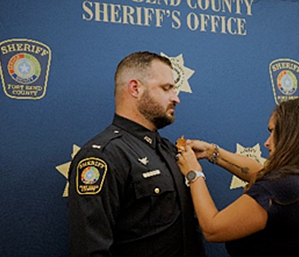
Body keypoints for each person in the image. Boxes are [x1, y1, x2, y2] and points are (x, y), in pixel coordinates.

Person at [68, 51, 205, 257]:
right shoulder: (103, 156)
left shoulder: (169, 150)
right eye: (166, 88)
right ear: (135, 88)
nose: (176, 98)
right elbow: (91, 249)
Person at [176, 97, 299, 257]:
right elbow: (258, 172)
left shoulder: (281, 187)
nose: (267, 142)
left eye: (273, 132)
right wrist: (211, 152)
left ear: (293, 136)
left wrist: (194, 174)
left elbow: (213, 229)